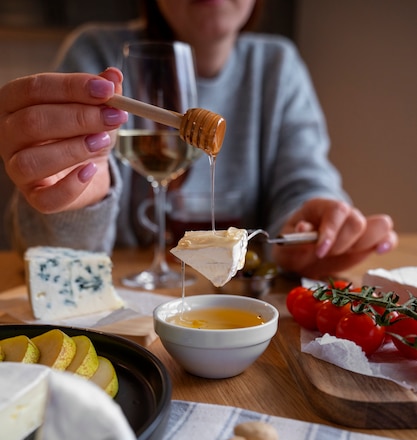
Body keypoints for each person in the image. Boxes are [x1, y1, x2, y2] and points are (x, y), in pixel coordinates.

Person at [0, 0, 397, 279]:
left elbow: (304, 180)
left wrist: (311, 219)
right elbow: (50, 257)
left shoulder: (278, 64)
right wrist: (78, 195)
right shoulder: (97, 54)